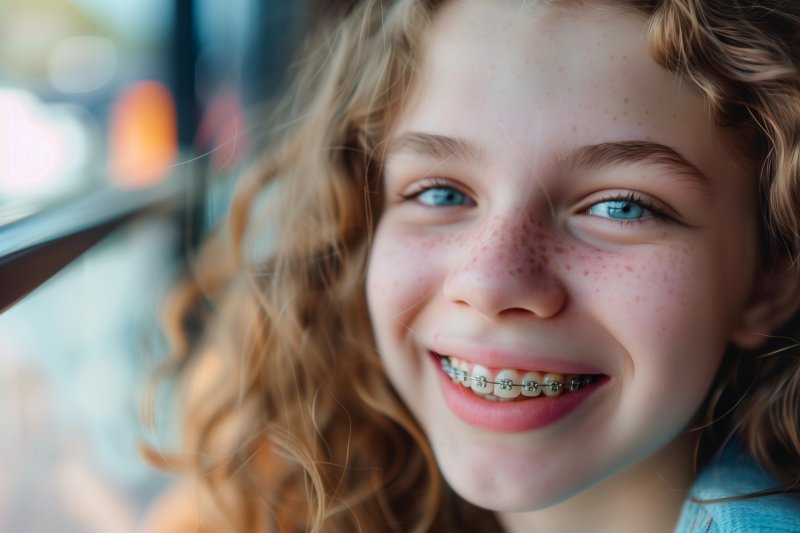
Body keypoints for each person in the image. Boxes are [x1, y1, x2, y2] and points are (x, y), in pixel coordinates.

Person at [142, 0, 800, 531]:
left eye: (623, 206)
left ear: (771, 276)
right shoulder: (277, 482)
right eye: (440, 193)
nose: (491, 282)